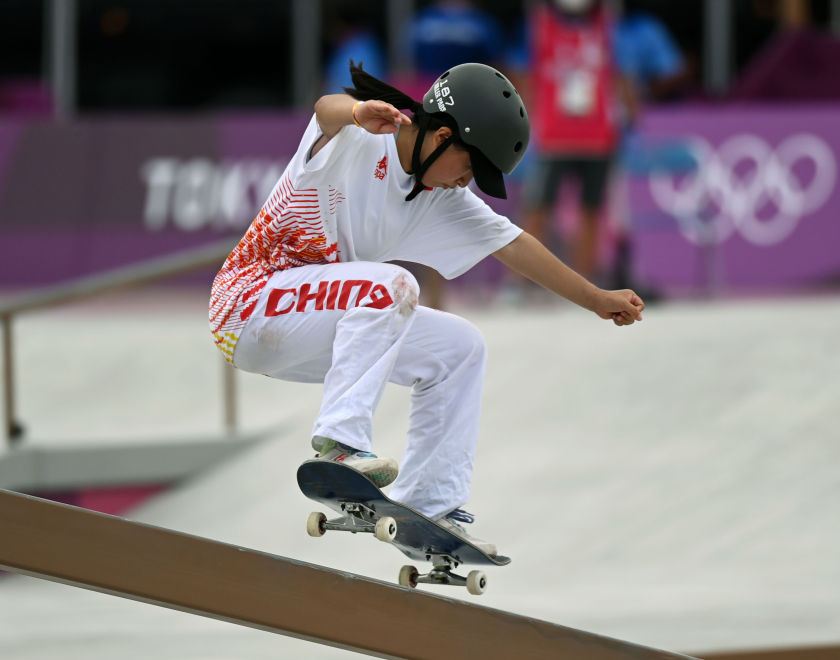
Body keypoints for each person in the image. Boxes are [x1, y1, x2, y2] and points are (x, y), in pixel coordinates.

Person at [209, 62, 644, 556]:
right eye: (468, 169)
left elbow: (515, 246)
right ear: (441, 137)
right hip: (247, 305)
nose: (464, 183)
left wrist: (596, 299)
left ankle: (432, 505)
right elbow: (325, 110)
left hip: (306, 326)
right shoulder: (363, 135)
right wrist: (355, 112)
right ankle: (340, 445)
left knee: (460, 348)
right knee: (393, 285)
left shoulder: (440, 197)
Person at [513, 0, 636, 286]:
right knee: (536, 208)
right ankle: (518, 282)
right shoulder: (540, 25)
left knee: (591, 210)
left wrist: (630, 116)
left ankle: (583, 281)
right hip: (554, 139)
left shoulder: (607, 25)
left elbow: (622, 76)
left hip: (598, 138)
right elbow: (523, 77)